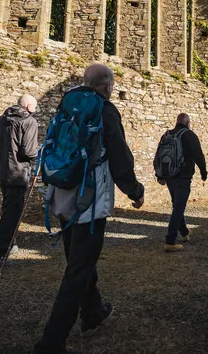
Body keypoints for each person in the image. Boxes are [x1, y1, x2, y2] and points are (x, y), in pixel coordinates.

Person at [32, 64, 145, 354]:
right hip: (89, 199)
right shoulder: (105, 110)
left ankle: (93, 313)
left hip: (63, 191)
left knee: (80, 259)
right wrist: (134, 191)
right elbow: (119, 157)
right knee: (79, 268)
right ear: (107, 86)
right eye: (111, 85)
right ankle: (51, 342)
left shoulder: (67, 104)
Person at [0, 94, 40, 269]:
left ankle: (10, 244)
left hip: (2, 173)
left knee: (9, 209)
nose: (36, 110)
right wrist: (40, 152)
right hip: (17, 174)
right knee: (11, 214)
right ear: (28, 106)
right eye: (35, 107)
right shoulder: (29, 122)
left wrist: (1, 159)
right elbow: (29, 152)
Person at [159, 113, 208, 252]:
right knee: (179, 206)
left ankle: (185, 232)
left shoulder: (167, 135)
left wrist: (159, 174)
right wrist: (203, 172)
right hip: (183, 175)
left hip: (169, 175)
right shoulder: (189, 135)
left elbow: (159, 155)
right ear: (188, 123)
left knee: (177, 204)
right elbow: (198, 155)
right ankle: (170, 241)